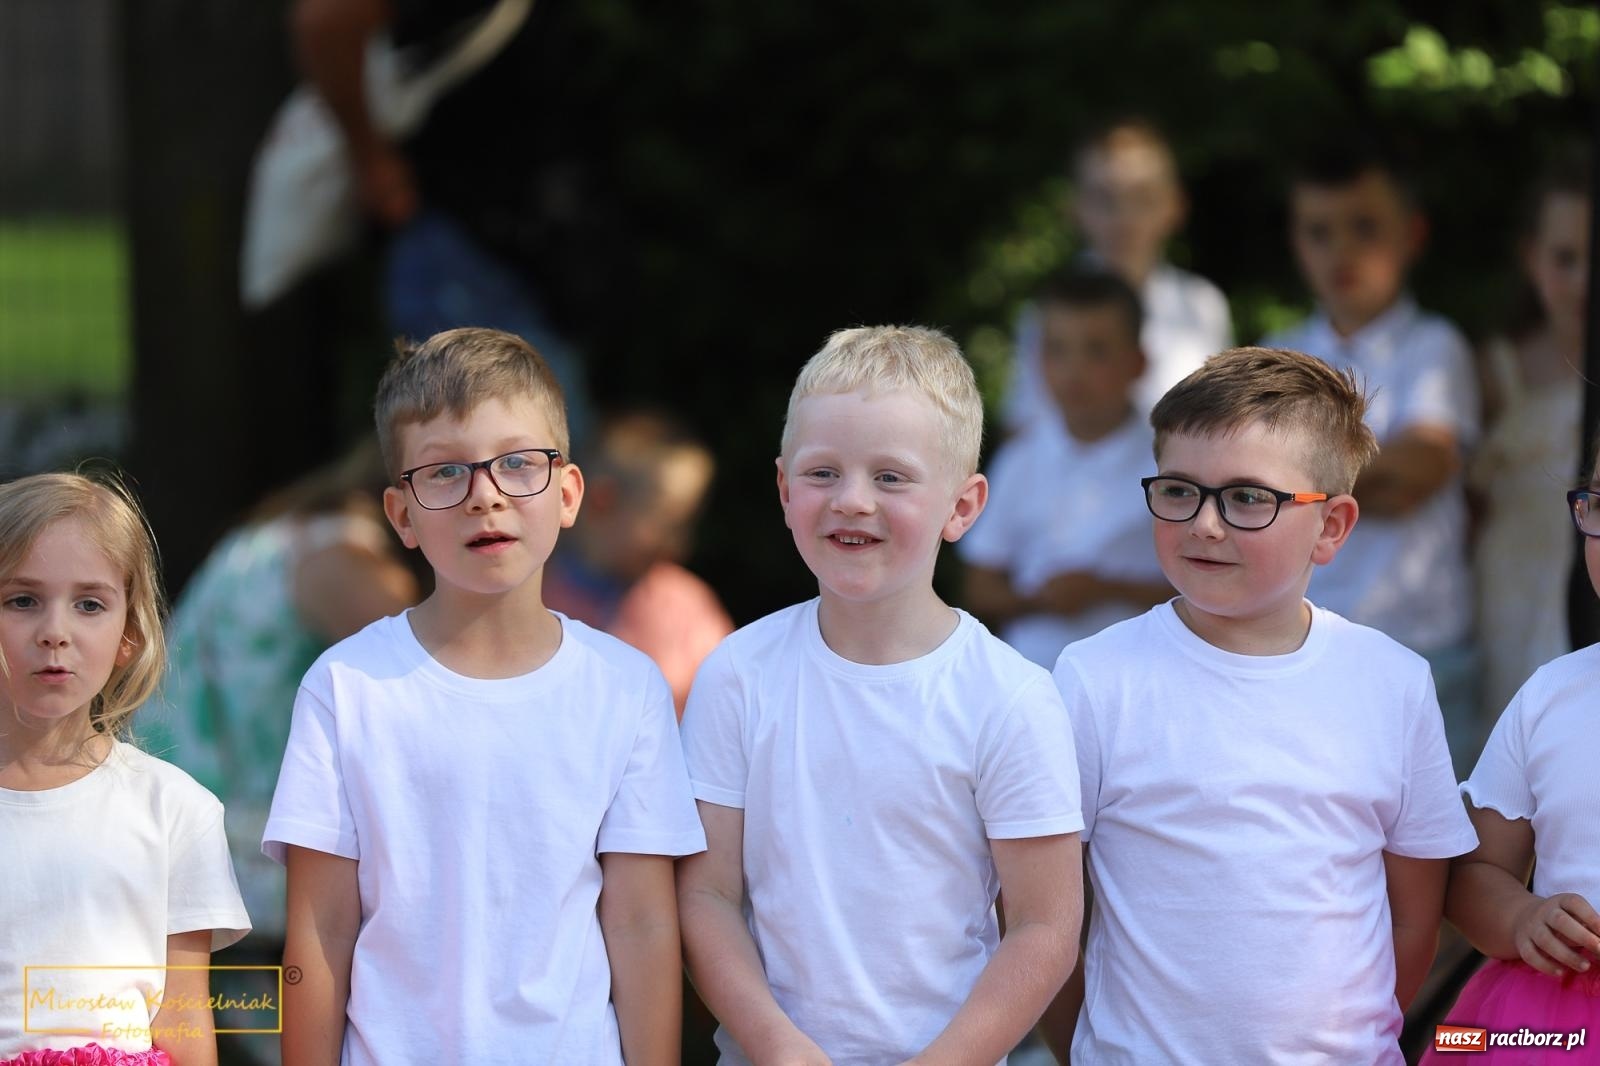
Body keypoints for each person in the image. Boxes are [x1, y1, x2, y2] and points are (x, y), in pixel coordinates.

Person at [264, 328, 704, 1064]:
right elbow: (320, 930)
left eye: (517, 464)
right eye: (443, 473)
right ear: (400, 515)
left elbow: (640, 925)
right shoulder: (344, 690)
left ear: (567, 494)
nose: (485, 496)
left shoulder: (625, 689)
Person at [1044, 348, 1478, 1063]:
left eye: (1248, 498)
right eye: (1180, 490)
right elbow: (1045, 914)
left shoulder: (1392, 683)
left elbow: (1414, 917)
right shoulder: (1094, 678)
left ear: (1332, 527)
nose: (1205, 524)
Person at [678, 326, 1084, 1066]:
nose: (852, 502)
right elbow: (705, 897)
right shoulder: (738, 674)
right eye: (823, 473)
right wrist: (775, 1045)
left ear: (962, 507)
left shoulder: (1012, 696)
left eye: (891, 478)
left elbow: (1045, 926)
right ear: (783, 488)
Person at [0, 472, 250, 1065]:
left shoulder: (176, 810)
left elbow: (184, 1013)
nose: (55, 633)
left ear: (128, 638)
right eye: (22, 600)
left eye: (89, 605)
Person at [1265, 144, 1480, 773]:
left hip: (1425, 639)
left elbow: (1421, 472)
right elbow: (1253, 486)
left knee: (1427, 844)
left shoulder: (1436, 346)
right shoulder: (1279, 355)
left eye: (1364, 227)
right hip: (1300, 639)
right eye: (1318, 231)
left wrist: (1301, 478)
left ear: (1412, 235)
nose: (1341, 250)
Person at [1420, 453, 1600, 1063]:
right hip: (1547, 1026)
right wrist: (1523, 917)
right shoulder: (1551, 695)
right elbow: (1474, 875)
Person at [963, 271, 1171, 668]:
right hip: (1033, 674)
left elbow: (1204, 587)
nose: (1074, 370)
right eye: (1058, 350)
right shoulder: (1021, 457)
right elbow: (981, 586)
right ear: (1036, 359)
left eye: (1096, 351)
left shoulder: (1169, 460)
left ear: (1138, 362)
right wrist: (1039, 600)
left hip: (1140, 673)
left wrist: (1104, 589)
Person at [1004, 118, 1232, 430]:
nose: (1123, 218)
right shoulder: (1046, 313)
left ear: (1175, 206)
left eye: (1142, 197)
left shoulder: (1203, 306)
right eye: (1104, 198)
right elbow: (1022, 428)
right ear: (1075, 208)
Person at [1470, 150, 1591, 722]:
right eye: (1565, 258)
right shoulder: (1498, 371)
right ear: (1531, 257)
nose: (1585, 281)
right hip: (1512, 593)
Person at [543, 410, 733, 716]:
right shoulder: (529, 595)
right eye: (668, 524)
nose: (680, 545)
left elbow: (725, 712)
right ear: (602, 500)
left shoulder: (688, 610)